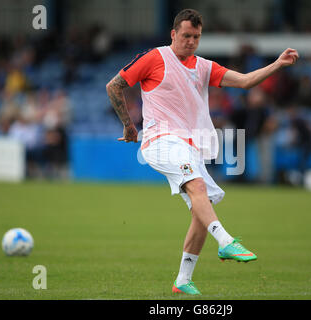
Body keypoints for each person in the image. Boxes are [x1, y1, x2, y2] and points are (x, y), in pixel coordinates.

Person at [106, 9, 299, 295]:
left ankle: (183, 280)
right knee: (196, 186)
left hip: (190, 146)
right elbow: (114, 85)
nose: (191, 41)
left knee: (201, 209)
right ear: (173, 34)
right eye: (185, 36)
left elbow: (245, 82)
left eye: (196, 37)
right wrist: (129, 126)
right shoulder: (155, 58)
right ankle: (227, 241)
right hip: (160, 141)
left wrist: (278, 64)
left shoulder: (204, 66)